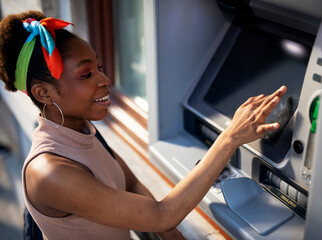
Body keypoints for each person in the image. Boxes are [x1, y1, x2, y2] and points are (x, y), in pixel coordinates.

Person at [0, 11, 287, 240]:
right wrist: (230, 137)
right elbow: (161, 214)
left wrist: (170, 234)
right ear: (43, 93)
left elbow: (130, 182)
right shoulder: (51, 172)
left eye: (98, 67)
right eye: (86, 74)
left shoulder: (80, 130)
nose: (104, 80)